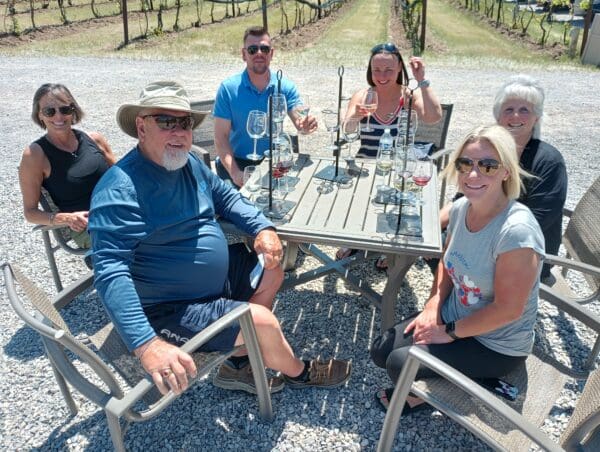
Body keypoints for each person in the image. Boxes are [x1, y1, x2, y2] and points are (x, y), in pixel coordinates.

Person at [89, 80, 351, 397]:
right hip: (170, 309)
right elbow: (110, 272)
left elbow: (227, 198)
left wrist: (262, 228)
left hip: (213, 284)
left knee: (272, 267)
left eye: (184, 123)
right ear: (142, 127)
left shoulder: (187, 165)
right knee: (262, 323)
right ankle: (299, 372)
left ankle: (239, 362)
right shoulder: (119, 190)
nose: (178, 132)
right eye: (166, 121)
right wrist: (146, 345)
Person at [370, 124, 544, 413]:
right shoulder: (463, 207)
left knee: (400, 364)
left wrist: (449, 332)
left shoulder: (516, 233)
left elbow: (508, 310)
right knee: (381, 350)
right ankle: (452, 371)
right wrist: (433, 304)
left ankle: (438, 393)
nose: (473, 174)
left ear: (506, 171)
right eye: (466, 163)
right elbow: (448, 265)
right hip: (456, 314)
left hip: (496, 343)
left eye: (488, 165)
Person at [436, 74, 567, 280]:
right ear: (498, 117)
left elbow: (536, 223)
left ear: (537, 118)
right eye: (509, 110)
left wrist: (468, 238)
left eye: (524, 110)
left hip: (523, 251)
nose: (515, 116)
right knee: (431, 244)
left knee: (442, 249)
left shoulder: (549, 162)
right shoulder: (490, 151)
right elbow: (463, 198)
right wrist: (431, 226)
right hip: (481, 232)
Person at [337, 42, 442, 261]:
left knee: (400, 191)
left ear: (399, 70)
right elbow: (346, 131)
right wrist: (355, 115)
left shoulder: (409, 96)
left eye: (388, 70)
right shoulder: (363, 95)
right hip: (365, 166)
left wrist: (422, 80)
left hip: (398, 167)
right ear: (370, 71)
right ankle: (354, 237)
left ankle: (389, 247)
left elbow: (433, 117)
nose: (382, 75)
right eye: (377, 70)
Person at [213, 26, 318, 187]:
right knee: (235, 209)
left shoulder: (285, 86)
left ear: (272, 54)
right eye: (253, 49)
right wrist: (236, 174)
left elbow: (299, 121)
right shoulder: (228, 89)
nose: (259, 53)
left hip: (273, 161)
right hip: (236, 163)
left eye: (264, 48)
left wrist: (305, 126)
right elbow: (221, 139)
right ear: (243, 54)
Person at [19, 83, 115, 249]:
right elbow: (30, 213)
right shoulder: (34, 155)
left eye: (64, 109)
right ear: (39, 115)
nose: (58, 117)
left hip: (118, 212)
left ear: (73, 111)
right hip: (88, 226)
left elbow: (122, 178)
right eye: (49, 111)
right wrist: (67, 218)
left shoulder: (95, 139)